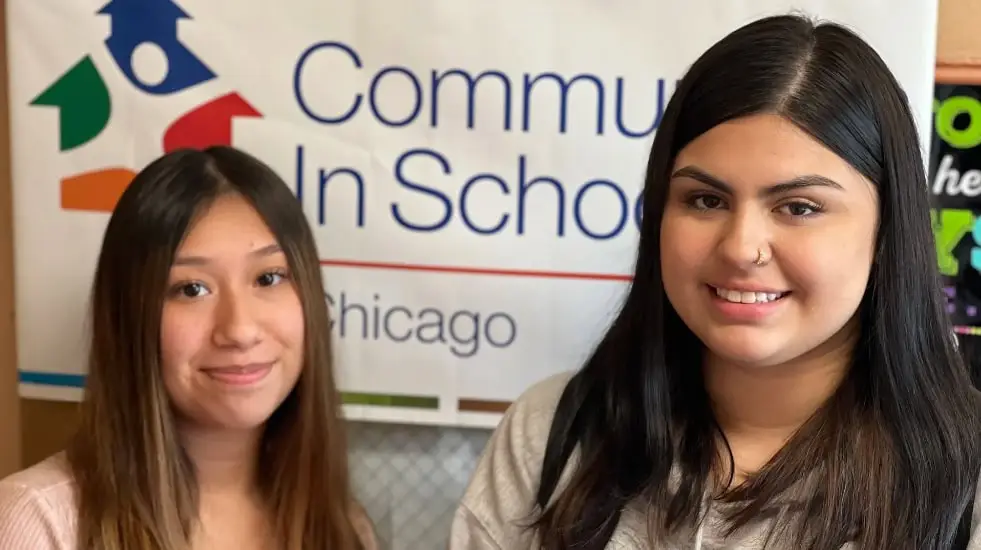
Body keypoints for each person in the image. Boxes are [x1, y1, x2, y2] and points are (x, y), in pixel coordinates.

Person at [449, 14, 981, 550]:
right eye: (706, 200)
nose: (740, 248)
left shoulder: (967, 478)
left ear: (888, 227)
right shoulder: (554, 435)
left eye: (798, 207)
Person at [0, 146, 378, 549]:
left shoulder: (343, 527)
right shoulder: (38, 522)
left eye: (268, 278)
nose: (239, 329)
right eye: (192, 289)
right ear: (131, 317)